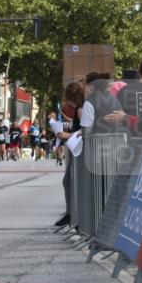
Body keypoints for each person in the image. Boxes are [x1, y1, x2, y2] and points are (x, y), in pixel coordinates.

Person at [54, 81, 84, 227]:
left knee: (70, 182)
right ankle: (71, 214)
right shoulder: (80, 108)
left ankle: (73, 215)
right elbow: (79, 125)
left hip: (79, 150)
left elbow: (85, 129)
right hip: (76, 149)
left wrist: (66, 135)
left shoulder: (80, 108)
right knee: (69, 181)